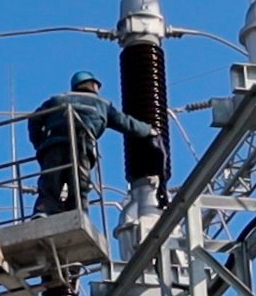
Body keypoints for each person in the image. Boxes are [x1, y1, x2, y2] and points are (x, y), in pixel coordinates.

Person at [27, 71, 161, 217]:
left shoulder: (58, 99)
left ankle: (42, 211)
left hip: (53, 147)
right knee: (79, 185)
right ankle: (78, 213)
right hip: (81, 148)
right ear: (94, 85)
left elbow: (35, 118)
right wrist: (149, 130)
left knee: (50, 182)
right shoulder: (102, 104)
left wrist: (39, 142)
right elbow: (126, 123)